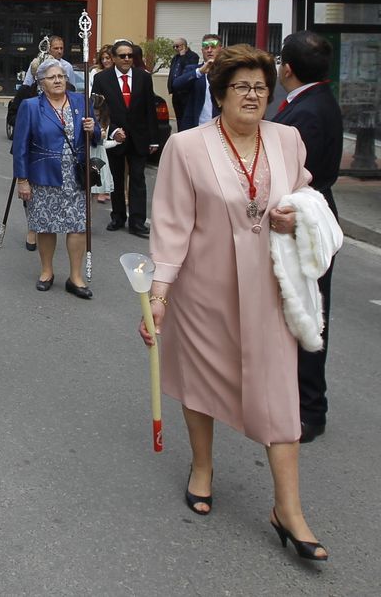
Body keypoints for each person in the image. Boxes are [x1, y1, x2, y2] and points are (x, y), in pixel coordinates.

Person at [144, 44, 328, 561]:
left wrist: (297, 216)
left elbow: (307, 196)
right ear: (221, 93)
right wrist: (159, 293)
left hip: (270, 289)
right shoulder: (186, 147)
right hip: (204, 287)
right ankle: (202, 467)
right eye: (242, 87)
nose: (253, 95)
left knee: (279, 393)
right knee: (200, 379)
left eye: (261, 87)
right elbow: (172, 224)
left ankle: (288, 508)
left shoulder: (287, 139)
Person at [270, 31, 344, 443]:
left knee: (307, 310)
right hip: (302, 211)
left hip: (304, 217)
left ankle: (311, 408)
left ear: (287, 68)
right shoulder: (309, 102)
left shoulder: (309, 110)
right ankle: (291, 396)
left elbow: (301, 173)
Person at [12, 58, 99, 298]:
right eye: (52, 77)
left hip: (76, 176)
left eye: (61, 76)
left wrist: (94, 128)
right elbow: (20, 146)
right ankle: (47, 271)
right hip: (44, 174)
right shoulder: (31, 106)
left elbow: (97, 134)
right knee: (46, 225)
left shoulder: (82, 101)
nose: (58, 80)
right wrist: (22, 179)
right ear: (41, 83)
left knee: (78, 226)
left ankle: (76, 277)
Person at [91, 39, 159, 237]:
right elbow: (99, 110)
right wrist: (112, 132)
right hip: (116, 138)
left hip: (139, 137)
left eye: (130, 55)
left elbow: (150, 110)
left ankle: (137, 222)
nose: (127, 59)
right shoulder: (102, 79)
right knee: (117, 179)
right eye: (122, 56)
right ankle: (118, 216)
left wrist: (153, 139)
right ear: (113, 58)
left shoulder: (144, 78)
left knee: (138, 179)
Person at [171, 34, 220, 129]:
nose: (209, 50)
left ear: (220, 49)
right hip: (196, 127)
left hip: (220, 127)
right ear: (202, 51)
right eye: (206, 47)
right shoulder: (193, 70)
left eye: (213, 47)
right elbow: (176, 85)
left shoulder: (228, 72)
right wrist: (200, 72)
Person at [168, 37, 199, 130]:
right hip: (176, 92)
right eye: (173, 47)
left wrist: (183, 56)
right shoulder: (175, 58)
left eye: (177, 46)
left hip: (186, 92)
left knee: (186, 118)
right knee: (179, 117)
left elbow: (189, 69)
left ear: (184, 46)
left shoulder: (193, 56)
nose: (175, 49)